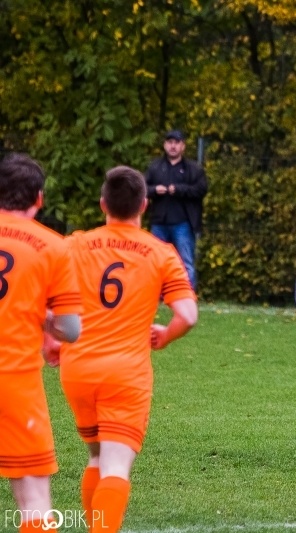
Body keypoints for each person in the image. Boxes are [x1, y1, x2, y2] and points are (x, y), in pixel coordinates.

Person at [58, 166, 198, 532]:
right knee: (116, 467)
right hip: (126, 373)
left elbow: (47, 298)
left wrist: (52, 338)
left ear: (103, 204)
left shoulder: (75, 245)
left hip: (78, 368)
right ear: (144, 205)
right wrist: (166, 335)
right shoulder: (161, 253)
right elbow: (188, 315)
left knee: (96, 458)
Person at [0, 153, 83, 532]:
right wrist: (46, 321)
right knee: (34, 498)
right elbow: (71, 330)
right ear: (39, 198)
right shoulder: (53, 246)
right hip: (14, 379)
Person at [145, 129, 208, 290]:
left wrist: (180, 190)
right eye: (170, 142)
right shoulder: (155, 167)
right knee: (154, 261)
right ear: (165, 145)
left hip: (183, 223)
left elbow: (201, 189)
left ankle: (187, 295)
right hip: (159, 223)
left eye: (176, 143)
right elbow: (142, 188)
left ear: (183, 146)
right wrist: (154, 190)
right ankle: (154, 294)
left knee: (186, 262)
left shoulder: (193, 169)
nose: (173, 146)